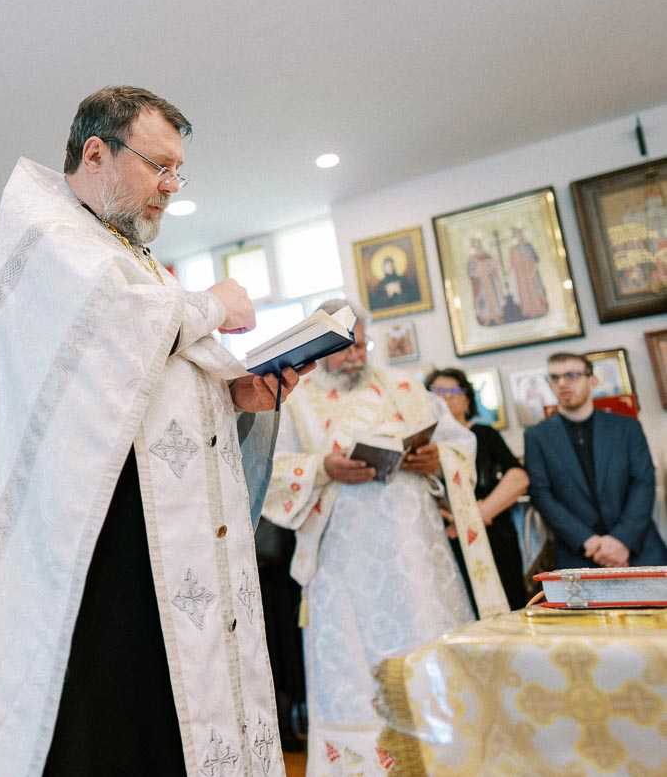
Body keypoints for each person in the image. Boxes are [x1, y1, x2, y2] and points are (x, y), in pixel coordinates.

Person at [0, 86, 305, 776]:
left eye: (177, 171)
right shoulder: (44, 234)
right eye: (159, 166)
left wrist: (238, 395)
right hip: (92, 543)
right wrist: (216, 302)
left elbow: (153, 382)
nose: (170, 188)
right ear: (96, 152)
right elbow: (118, 326)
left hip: (155, 537)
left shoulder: (129, 254)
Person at [261, 303, 506, 775]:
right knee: (354, 671)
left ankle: (450, 760)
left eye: (360, 343)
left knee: (429, 650)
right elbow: (268, 470)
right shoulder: (297, 400)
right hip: (343, 567)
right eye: (342, 345)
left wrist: (436, 461)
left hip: (419, 565)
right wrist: (323, 467)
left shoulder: (408, 388)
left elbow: (462, 446)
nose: (354, 353)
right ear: (319, 345)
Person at [524, 352, 667, 569]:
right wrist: (587, 540)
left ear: (592, 380)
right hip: (579, 555)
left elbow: (643, 482)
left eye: (572, 375)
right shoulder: (536, 436)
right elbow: (541, 494)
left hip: (638, 548)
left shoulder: (627, 427)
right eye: (555, 378)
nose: (563, 383)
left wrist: (621, 540)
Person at [425, 368, 530, 609]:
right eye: (438, 392)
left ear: (467, 399)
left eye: (453, 392)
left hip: (492, 533)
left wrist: (472, 517)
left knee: (508, 605)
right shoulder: (426, 445)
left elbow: (518, 477)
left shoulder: (484, 435)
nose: (446, 398)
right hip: (446, 537)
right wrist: (454, 520)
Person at [506, 227, 548, 320]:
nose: (517, 237)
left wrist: (532, 272)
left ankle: (539, 309)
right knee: (524, 293)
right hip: (520, 275)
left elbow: (534, 260)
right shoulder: (513, 249)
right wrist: (508, 274)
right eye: (515, 235)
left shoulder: (528, 246)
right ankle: (529, 311)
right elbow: (512, 263)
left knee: (533, 290)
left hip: (529, 272)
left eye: (518, 234)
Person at [466, 235, 507, 326]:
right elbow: (470, 271)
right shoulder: (472, 258)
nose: (477, 246)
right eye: (475, 244)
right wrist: (478, 271)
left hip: (490, 281)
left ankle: (496, 315)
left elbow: (491, 267)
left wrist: (493, 264)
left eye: (478, 243)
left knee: (493, 297)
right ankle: (486, 317)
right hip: (480, 284)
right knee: (483, 299)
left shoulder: (486, 255)